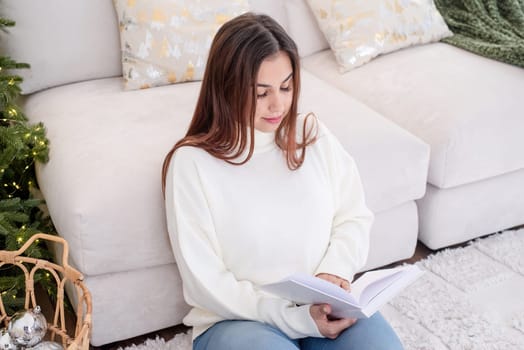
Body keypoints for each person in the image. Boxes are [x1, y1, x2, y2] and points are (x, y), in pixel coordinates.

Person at [162, 12, 404, 350]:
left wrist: (334, 273)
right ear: (226, 87)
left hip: (324, 307)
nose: (278, 104)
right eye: (261, 93)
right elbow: (206, 282)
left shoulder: (310, 133)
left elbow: (353, 214)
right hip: (239, 321)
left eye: (286, 86)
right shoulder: (192, 163)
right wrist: (294, 319)